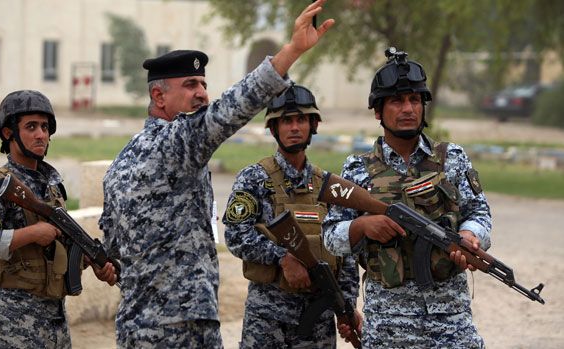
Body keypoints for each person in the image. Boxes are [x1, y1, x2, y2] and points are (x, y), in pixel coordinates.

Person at [98, 1, 335, 347]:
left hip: (140, 326)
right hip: (182, 328)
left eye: (203, 84)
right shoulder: (175, 144)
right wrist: (292, 50)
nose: (202, 94)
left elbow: (114, 249)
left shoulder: (124, 159)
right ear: (158, 96)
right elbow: (230, 110)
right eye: (190, 84)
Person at [323, 47, 492, 348]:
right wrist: (362, 227)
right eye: (397, 101)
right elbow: (330, 237)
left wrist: (470, 235)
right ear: (378, 111)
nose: (408, 109)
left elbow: (479, 213)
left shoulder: (452, 158)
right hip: (388, 326)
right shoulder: (356, 169)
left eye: (415, 100)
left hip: (450, 322)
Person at [0, 90, 117, 349]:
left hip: (55, 320)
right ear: (8, 133)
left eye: (45, 127)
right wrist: (32, 233)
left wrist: (90, 261)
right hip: (14, 322)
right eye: (31, 126)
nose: (41, 135)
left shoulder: (53, 188)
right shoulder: (0, 186)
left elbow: (54, 254)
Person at [223, 84, 362, 348]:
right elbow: (236, 235)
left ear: (313, 125)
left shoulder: (328, 186)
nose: (294, 127)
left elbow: (345, 251)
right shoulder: (255, 178)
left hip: (318, 322)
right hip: (266, 319)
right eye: (286, 121)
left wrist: (347, 305)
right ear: (274, 128)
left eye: (301, 120)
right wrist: (283, 259)